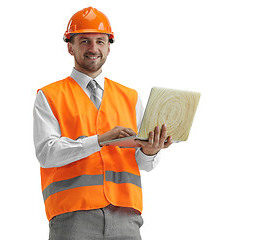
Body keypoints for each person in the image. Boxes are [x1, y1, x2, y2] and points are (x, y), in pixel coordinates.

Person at [33, 6, 172, 240]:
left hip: (126, 216)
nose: (93, 48)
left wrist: (150, 151)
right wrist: (99, 140)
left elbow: (144, 164)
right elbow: (46, 153)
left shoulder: (130, 96)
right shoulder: (49, 96)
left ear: (109, 46)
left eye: (100, 40)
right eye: (84, 41)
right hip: (72, 216)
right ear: (70, 46)